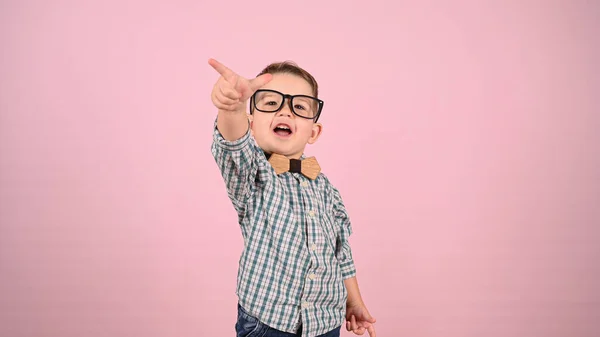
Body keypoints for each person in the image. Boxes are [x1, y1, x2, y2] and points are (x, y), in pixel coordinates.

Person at [209, 58, 376, 337]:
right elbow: (232, 145)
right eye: (271, 103)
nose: (285, 111)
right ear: (251, 124)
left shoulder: (326, 189)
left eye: (299, 107)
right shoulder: (253, 174)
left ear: (314, 131)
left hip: (325, 321)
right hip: (269, 322)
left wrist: (354, 301)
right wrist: (233, 107)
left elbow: (340, 251)